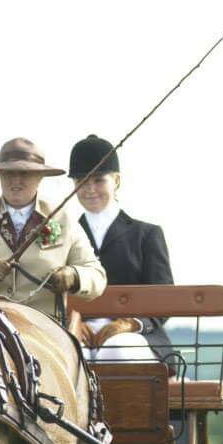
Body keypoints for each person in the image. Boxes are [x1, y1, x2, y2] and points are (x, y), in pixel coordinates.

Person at [0, 137, 106, 320]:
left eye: (25, 173)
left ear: (40, 177)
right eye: (8, 174)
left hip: (45, 327)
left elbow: (97, 276)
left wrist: (73, 276)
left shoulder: (63, 218)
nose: (16, 181)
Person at [68, 134, 174, 363]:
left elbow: (164, 299)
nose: (90, 189)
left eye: (98, 180)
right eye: (81, 181)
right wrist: (74, 320)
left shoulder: (146, 234)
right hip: (79, 330)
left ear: (116, 180)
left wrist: (130, 322)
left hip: (134, 334)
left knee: (115, 348)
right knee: (71, 353)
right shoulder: (65, 236)